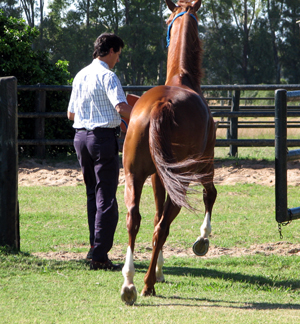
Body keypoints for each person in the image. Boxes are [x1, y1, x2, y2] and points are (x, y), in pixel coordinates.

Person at [67, 33, 132, 271]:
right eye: (118, 55)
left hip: (80, 138)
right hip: (102, 139)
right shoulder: (108, 76)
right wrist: (145, 119)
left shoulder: (80, 74)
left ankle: (94, 248)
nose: (118, 60)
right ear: (112, 50)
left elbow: (70, 115)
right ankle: (100, 256)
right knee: (107, 197)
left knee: (92, 195)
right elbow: (121, 108)